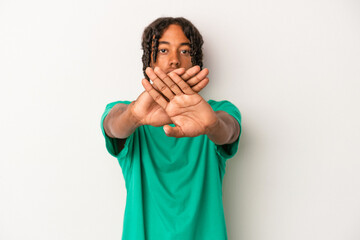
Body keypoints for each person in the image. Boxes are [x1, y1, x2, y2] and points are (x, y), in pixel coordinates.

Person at [100, 17, 242, 240]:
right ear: (150, 60)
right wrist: (135, 116)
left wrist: (212, 124)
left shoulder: (217, 112)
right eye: (164, 50)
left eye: (185, 51)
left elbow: (229, 130)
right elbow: (113, 126)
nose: (174, 60)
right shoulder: (130, 113)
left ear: (196, 61)